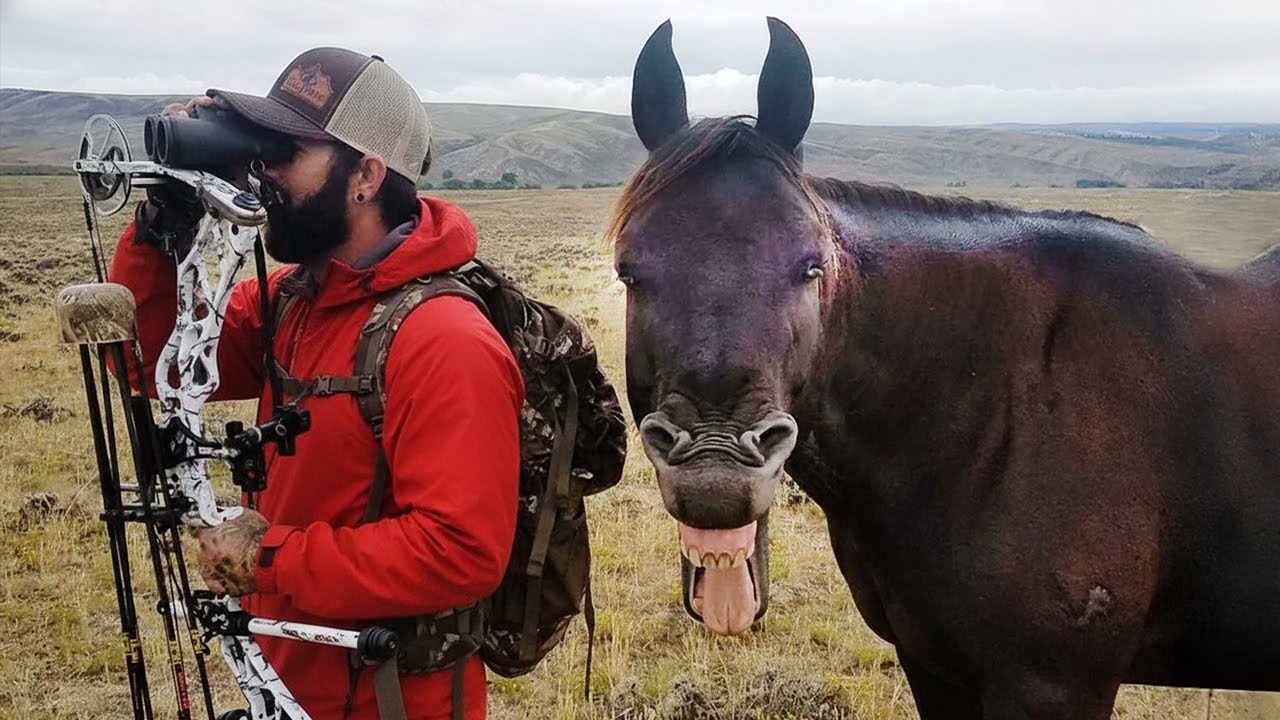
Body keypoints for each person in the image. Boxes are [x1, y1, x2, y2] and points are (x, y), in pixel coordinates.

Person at [109, 47, 523, 719]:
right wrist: (164, 221)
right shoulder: (293, 302)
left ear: (365, 175)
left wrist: (270, 559)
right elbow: (148, 356)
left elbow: (460, 552)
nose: (264, 176)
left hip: (388, 697)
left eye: (284, 154)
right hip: (282, 671)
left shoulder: (444, 338)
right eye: (260, 152)